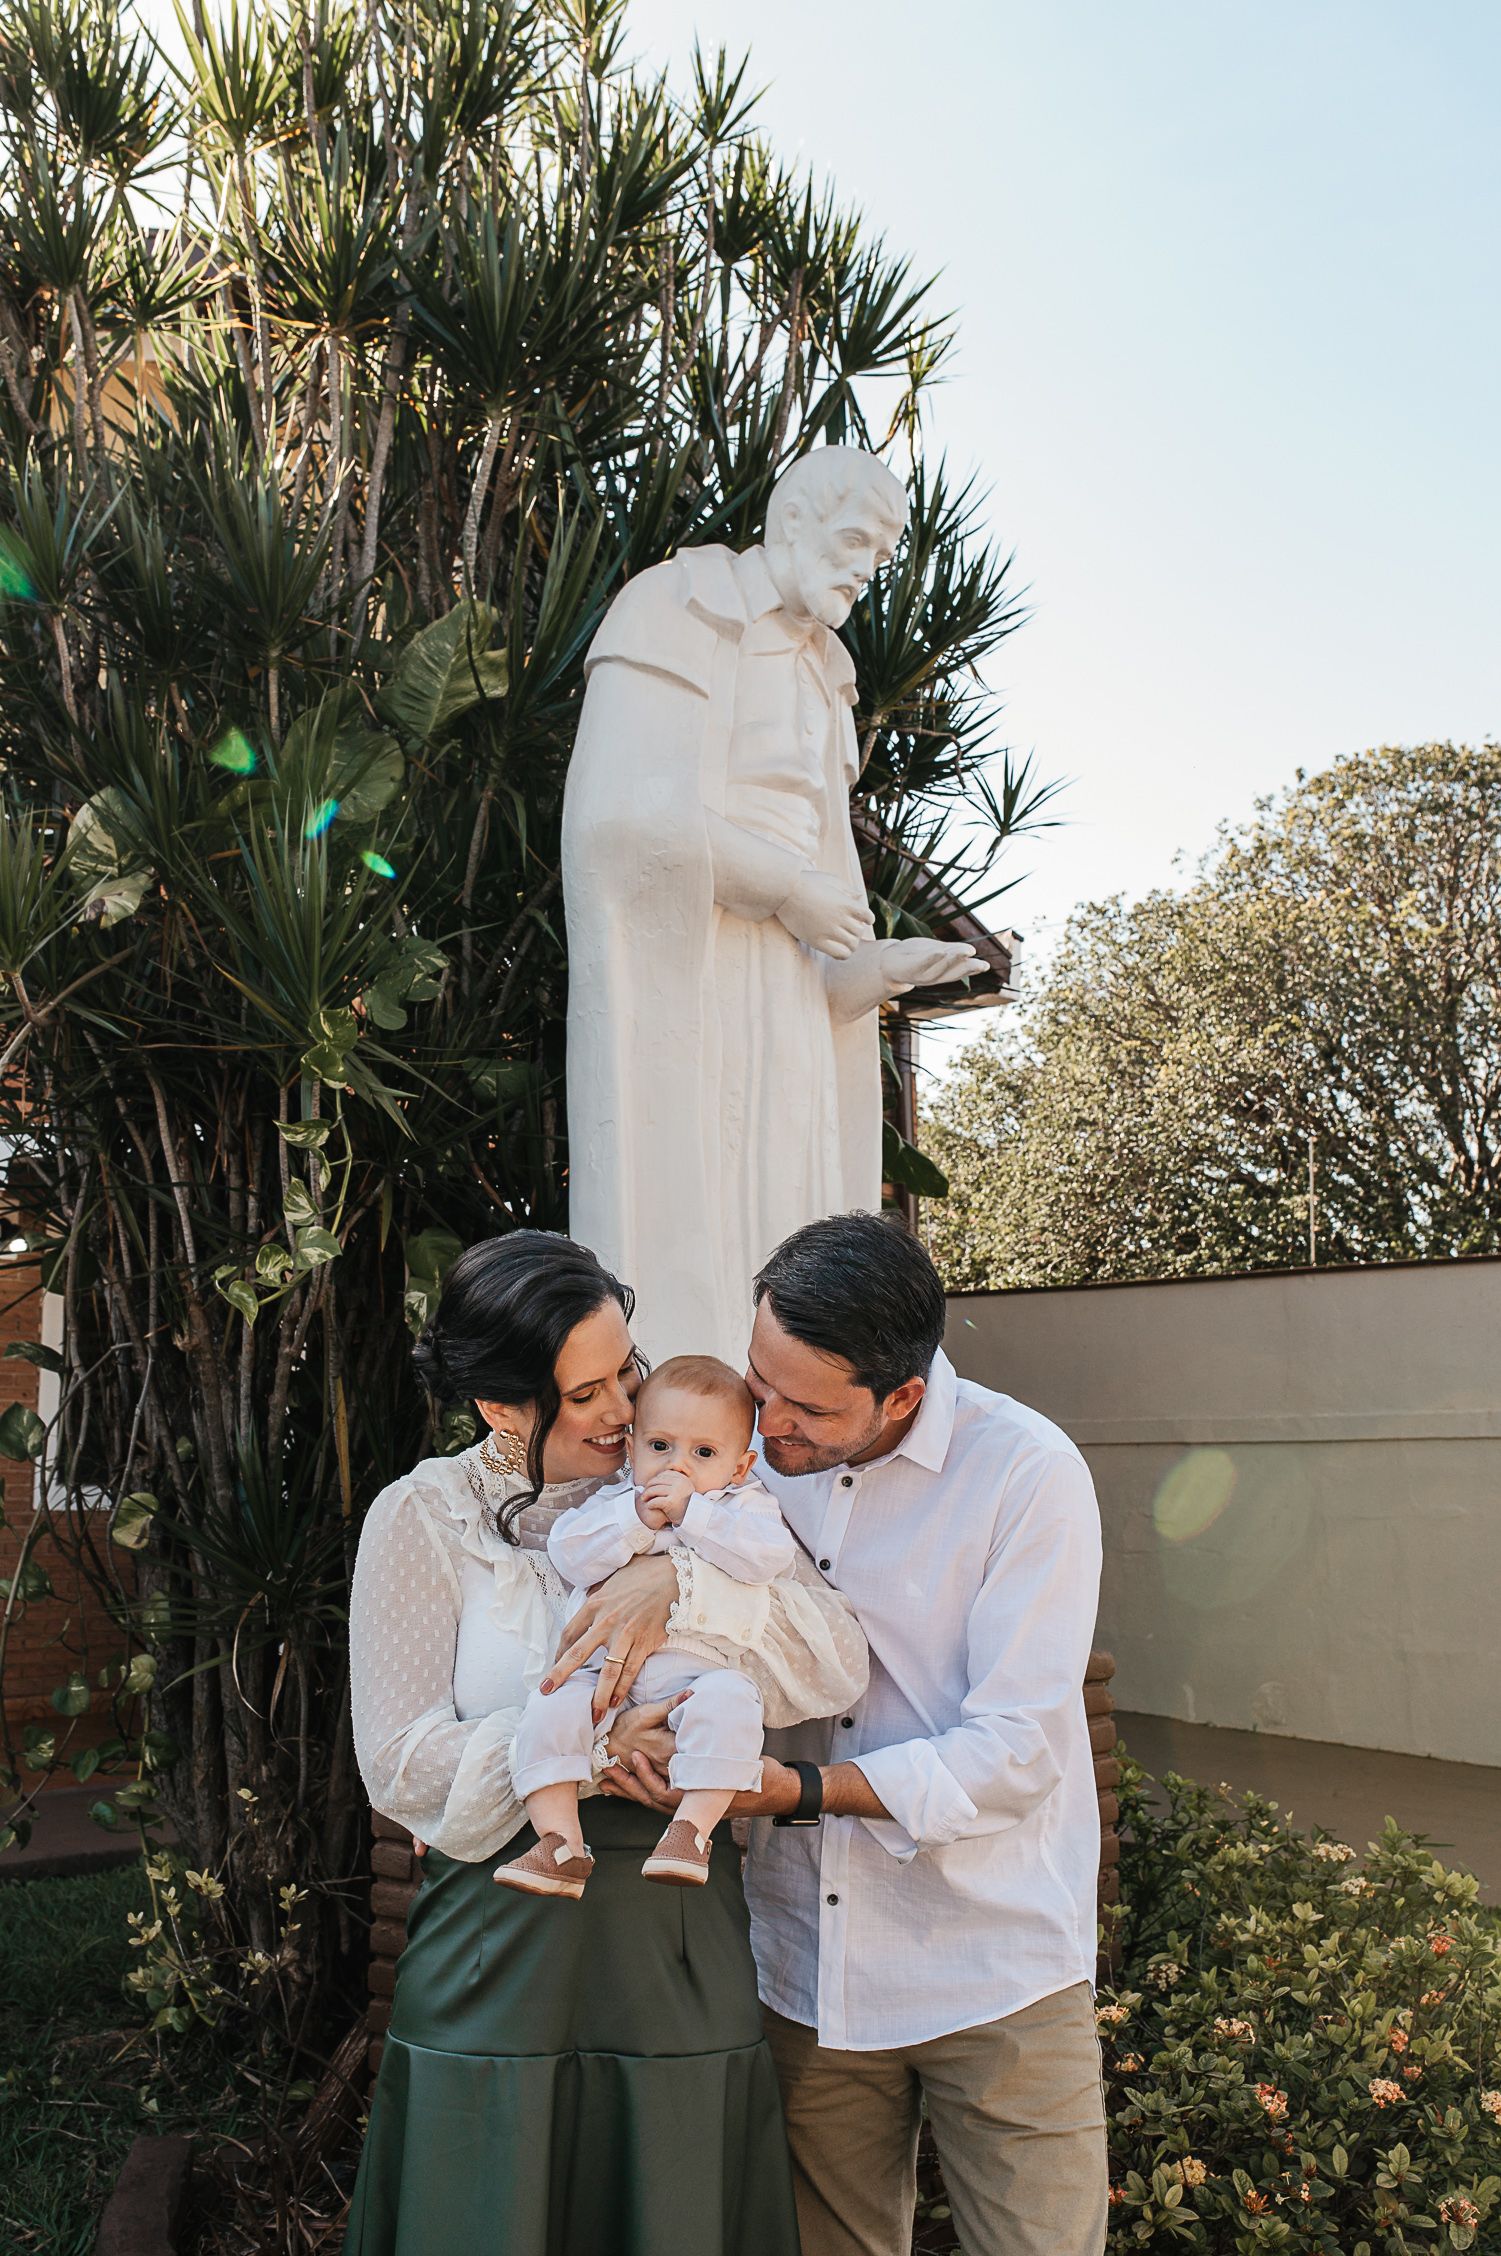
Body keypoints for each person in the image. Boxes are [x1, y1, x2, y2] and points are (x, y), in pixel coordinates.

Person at [585, 1213, 1110, 2256]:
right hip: (805, 1964)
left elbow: (1014, 1750)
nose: (765, 1422)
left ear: (903, 1397)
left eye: (804, 1407)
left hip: (993, 1963)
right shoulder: (752, 1447)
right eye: (758, 1377)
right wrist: (659, 1565)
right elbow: (677, 1545)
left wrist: (801, 1794)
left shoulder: (1026, 1476)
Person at [342, 1231, 868, 2256]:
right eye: (587, 1394)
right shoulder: (424, 1518)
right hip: (496, 1940)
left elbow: (834, 1658)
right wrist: (591, 1750)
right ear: (504, 1407)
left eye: (625, 1368)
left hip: (673, 1946)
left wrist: (678, 1577)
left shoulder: (703, 1489)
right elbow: (398, 1762)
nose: (628, 1409)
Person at [562, 446, 982, 1364]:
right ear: (791, 521)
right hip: (689, 977)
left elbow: (821, 875)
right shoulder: (674, 609)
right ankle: (687, 1434)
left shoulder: (829, 678)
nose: (867, 569)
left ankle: (788, 1429)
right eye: (855, 541)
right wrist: (784, 888)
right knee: (694, 1210)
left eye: (880, 553)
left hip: (792, 1001)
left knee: (792, 1208)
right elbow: (618, 821)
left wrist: (865, 972)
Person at [496, 1355, 797, 1895]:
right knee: (548, 1707)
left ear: (739, 1466)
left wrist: (694, 1516)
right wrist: (635, 1520)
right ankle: (559, 1842)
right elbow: (569, 1554)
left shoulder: (741, 1506)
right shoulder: (613, 1502)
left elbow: (768, 1559)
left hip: (694, 1684)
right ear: (632, 1447)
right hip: (600, 1683)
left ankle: (692, 1831)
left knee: (733, 1702)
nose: (676, 1467)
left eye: (703, 1453)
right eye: (660, 1446)